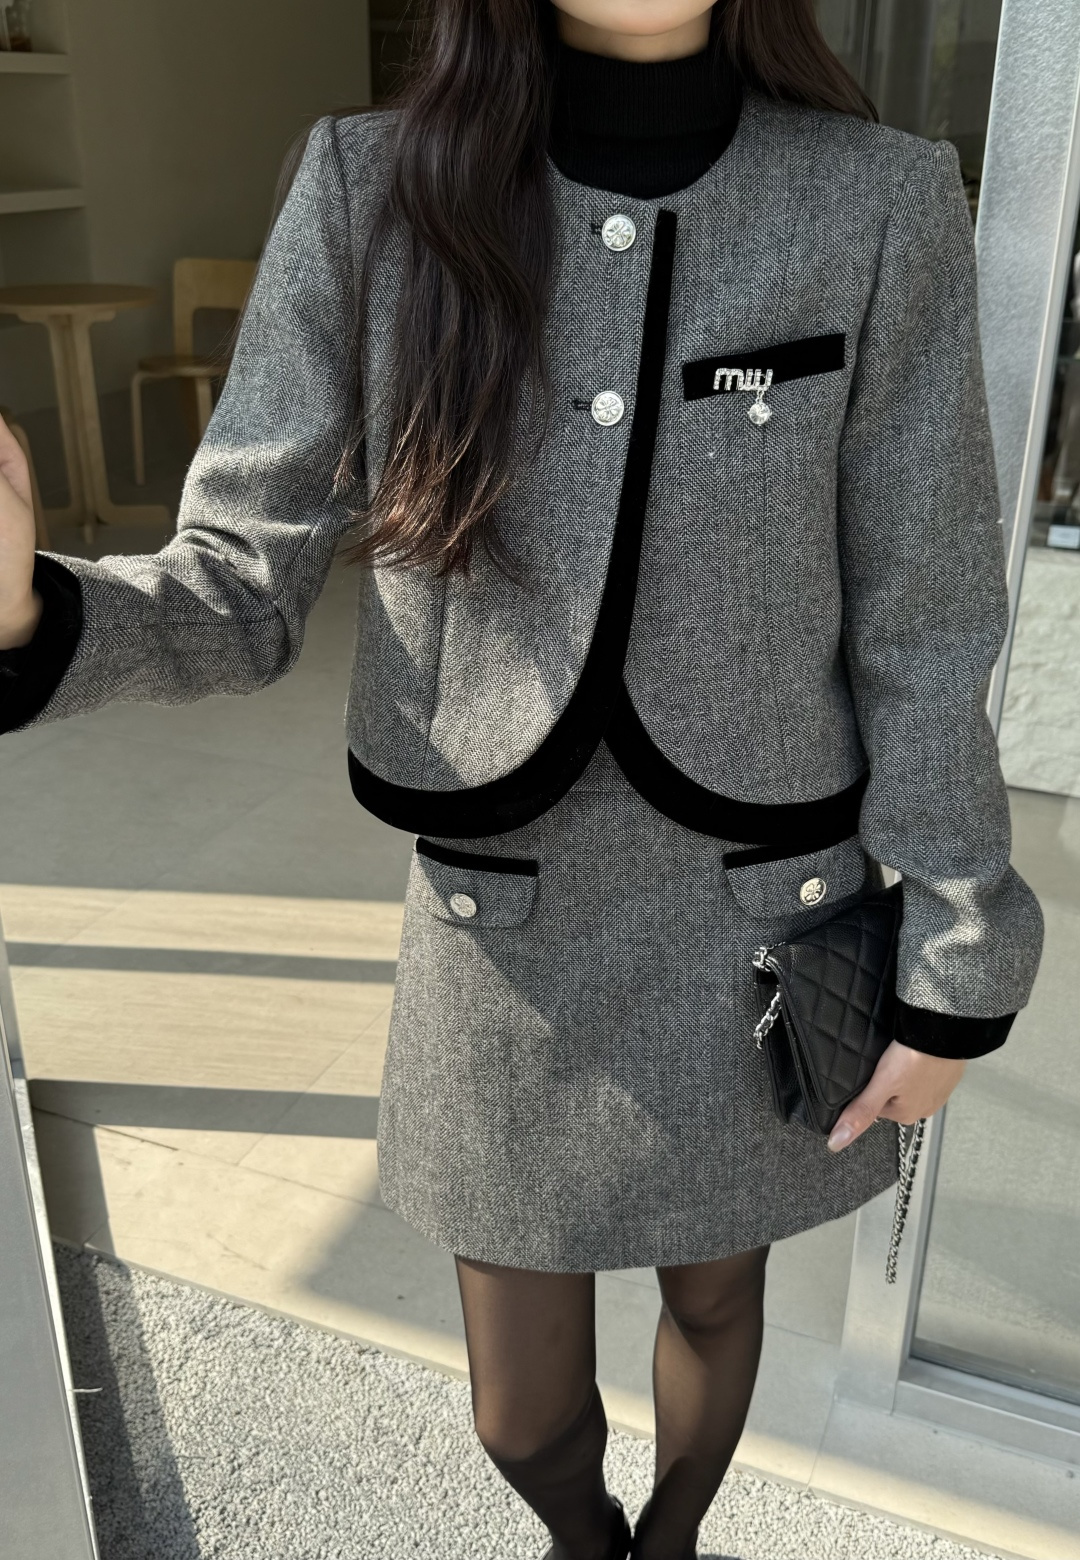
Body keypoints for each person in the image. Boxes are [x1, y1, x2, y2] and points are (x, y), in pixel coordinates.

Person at [0, 0, 1044, 1554]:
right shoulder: (370, 185)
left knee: (718, 1296)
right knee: (520, 1414)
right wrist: (30, 620)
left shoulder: (875, 198)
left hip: (759, 913)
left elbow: (925, 610)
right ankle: (582, 1535)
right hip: (499, 921)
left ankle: (669, 1540)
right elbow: (240, 581)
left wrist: (960, 953)